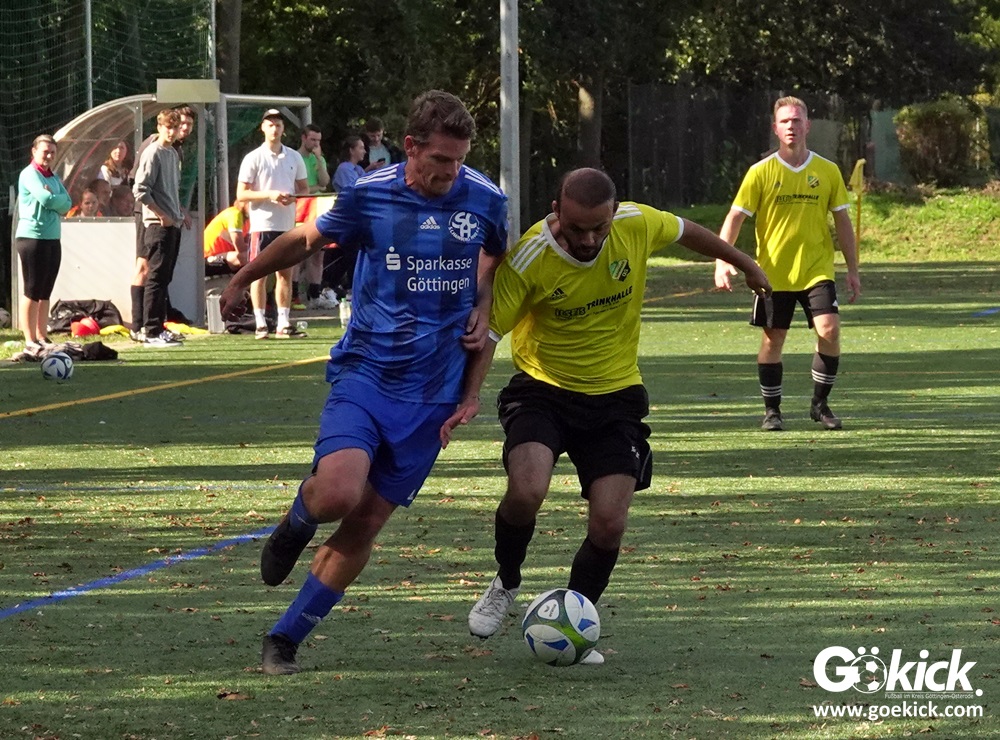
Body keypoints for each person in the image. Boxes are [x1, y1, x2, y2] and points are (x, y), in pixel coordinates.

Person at [218, 90, 509, 675]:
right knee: (337, 494)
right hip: (366, 375)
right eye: (440, 160)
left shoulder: (486, 198)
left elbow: (493, 260)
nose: (450, 173)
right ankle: (298, 520)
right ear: (410, 147)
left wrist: (482, 308)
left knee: (366, 522)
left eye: (459, 160)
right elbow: (307, 239)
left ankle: (285, 638)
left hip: (434, 395)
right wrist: (242, 277)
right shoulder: (369, 193)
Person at [453, 168, 771, 664]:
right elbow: (490, 332)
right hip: (542, 390)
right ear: (556, 211)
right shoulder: (532, 256)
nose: (588, 239)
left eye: (598, 228)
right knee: (527, 490)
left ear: (614, 214)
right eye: (576, 228)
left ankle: (574, 621)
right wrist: (470, 395)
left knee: (609, 523)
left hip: (616, 397)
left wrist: (745, 263)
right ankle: (506, 580)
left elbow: (687, 231)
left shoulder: (636, 224)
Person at [714, 96, 861, 431]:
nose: (791, 126)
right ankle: (772, 411)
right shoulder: (760, 172)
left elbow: (842, 223)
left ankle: (820, 404)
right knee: (774, 339)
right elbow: (735, 217)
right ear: (775, 128)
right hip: (772, 273)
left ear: (807, 125)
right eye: (784, 122)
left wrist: (853, 270)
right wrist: (722, 260)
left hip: (816, 269)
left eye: (796, 120)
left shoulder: (827, 170)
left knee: (830, 330)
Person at [236, 108, 308, 339]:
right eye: (270, 124)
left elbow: (303, 189)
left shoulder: (294, 157)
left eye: (278, 124)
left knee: (285, 274)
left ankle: (283, 323)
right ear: (262, 128)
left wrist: (291, 198)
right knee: (258, 275)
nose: (274, 129)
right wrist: (269, 195)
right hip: (262, 225)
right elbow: (242, 194)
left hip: (286, 225)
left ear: (283, 129)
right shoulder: (253, 157)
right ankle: (260, 323)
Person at [128, 105, 194, 340]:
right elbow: (140, 189)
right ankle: (147, 328)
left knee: (164, 277)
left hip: (172, 222)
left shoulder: (173, 153)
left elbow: (170, 190)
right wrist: (160, 214)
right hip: (156, 223)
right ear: (159, 127)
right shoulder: (152, 151)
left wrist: (176, 213)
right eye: (169, 127)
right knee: (152, 275)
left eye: (176, 127)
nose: (173, 132)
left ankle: (158, 326)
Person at [15, 134, 72, 355]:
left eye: (52, 152)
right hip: (32, 238)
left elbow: (67, 203)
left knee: (45, 290)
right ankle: (29, 339)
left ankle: (41, 336)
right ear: (34, 151)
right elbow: (46, 199)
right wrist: (55, 199)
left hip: (52, 238)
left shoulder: (53, 178)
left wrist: (55, 198)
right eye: (45, 151)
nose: (49, 156)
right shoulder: (29, 174)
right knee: (32, 289)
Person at [294, 123, 331, 309]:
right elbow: (300, 189)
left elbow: (325, 182)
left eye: (318, 140)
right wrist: (314, 188)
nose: (316, 143)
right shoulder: (294, 157)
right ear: (304, 138)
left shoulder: (319, 159)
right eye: (312, 139)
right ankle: (293, 295)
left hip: (317, 208)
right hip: (300, 208)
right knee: (297, 253)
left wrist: (318, 160)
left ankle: (315, 295)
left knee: (318, 254)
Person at [204, 199, 248, 273]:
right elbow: (241, 249)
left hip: (226, 257)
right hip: (208, 259)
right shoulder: (235, 214)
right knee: (246, 256)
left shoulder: (248, 222)